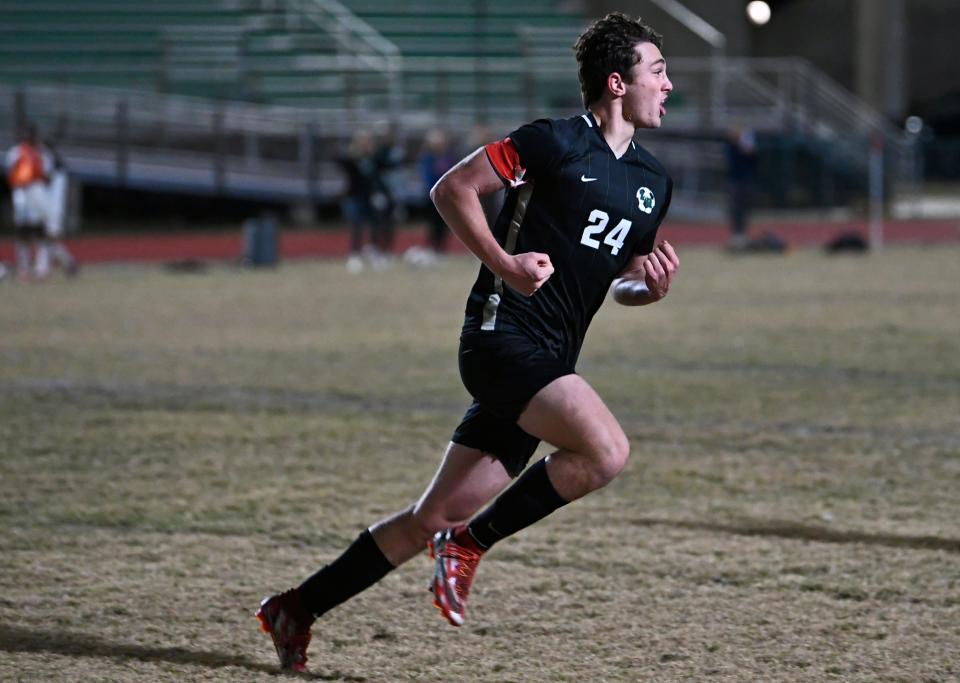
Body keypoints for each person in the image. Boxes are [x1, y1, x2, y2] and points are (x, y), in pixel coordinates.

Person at [256, 12, 679, 673]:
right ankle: (469, 545)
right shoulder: (552, 142)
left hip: (548, 363)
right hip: (499, 338)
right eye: (659, 71)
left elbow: (623, 278)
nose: (669, 84)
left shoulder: (654, 181)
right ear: (617, 82)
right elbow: (453, 189)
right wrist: (507, 267)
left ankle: (296, 608)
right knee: (605, 450)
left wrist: (645, 289)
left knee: (431, 514)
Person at [5, 125, 50, 280]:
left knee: (40, 229)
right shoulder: (16, 152)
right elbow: (10, 172)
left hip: (36, 191)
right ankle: (23, 267)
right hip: (22, 193)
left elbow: (47, 174)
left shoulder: (42, 152)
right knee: (22, 231)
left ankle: (42, 266)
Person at [36, 140, 78, 278]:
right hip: (51, 206)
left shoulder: (51, 168)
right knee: (46, 236)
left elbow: (44, 178)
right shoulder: (60, 172)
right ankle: (62, 263)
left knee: (47, 236)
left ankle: (46, 267)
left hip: (51, 207)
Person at [418, 128, 456, 254]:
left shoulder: (448, 157)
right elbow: (428, 177)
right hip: (432, 196)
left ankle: (441, 248)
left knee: (444, 224)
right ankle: (432, 247)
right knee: (432, 223)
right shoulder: (428, 158)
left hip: (446, 197)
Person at [724, 125, 758, 251]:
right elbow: (731, 164)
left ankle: (743, 233)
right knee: (735, 209)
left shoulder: (746, 146)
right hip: (735, 181)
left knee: (744, 208)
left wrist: (749, 151)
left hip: (745, 181)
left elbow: (753, 161)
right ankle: (736, 234)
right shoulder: (731, 147)